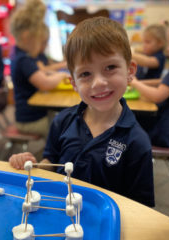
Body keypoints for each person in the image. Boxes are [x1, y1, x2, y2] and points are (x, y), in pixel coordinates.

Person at [9, 17, 155, 207]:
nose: (98, 83)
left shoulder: (137, 142)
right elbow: (50, 161)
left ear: (130, 71)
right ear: (74, 83)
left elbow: (141, 208)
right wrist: (31, 165)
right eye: (86, 74)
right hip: (61, 213)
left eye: (110, 67)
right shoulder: (62, 121)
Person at [9, 0, 68, 138]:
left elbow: (43, 70)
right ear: (26, 37)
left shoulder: (22, 56)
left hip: (34, 115)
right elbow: (45, 83)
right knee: (65, 128)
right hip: (29, 120)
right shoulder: (24, 60)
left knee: (65, 122)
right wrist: (62, 75)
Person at [130, 22, 169, 148]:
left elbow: (157, 96)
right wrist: (141, 83)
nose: (168, 48)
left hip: (164, 130)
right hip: (165, 122)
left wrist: (135, 82)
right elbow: (164, 81)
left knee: (130, 124)